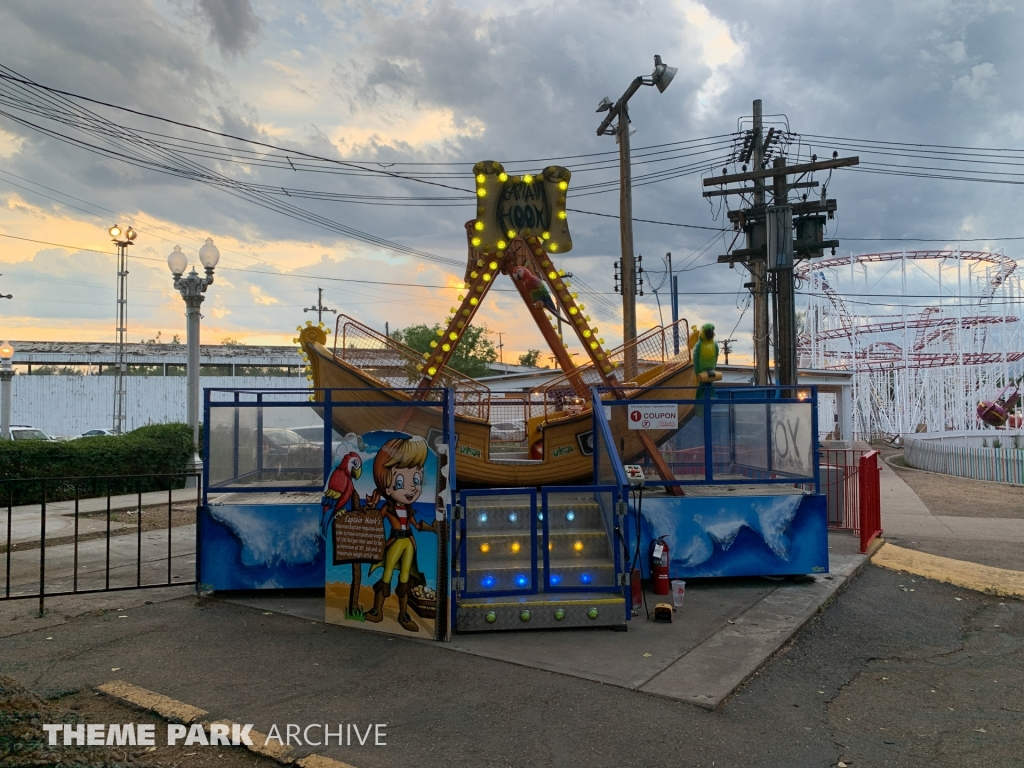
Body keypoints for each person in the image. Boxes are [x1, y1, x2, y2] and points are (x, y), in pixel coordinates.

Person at [364, 436, 436, 631]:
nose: (412, 487)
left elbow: (417, 526)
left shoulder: (410, 510)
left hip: (409, 544)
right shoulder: (388, 507)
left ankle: (403, 615)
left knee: (405, 577)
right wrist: (371, 506)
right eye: (399, 482)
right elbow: (376, 519)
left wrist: (434, 528)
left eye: (416, 479)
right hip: (396, 542)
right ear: (386, 486)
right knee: (387, 573)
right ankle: (377, 611)